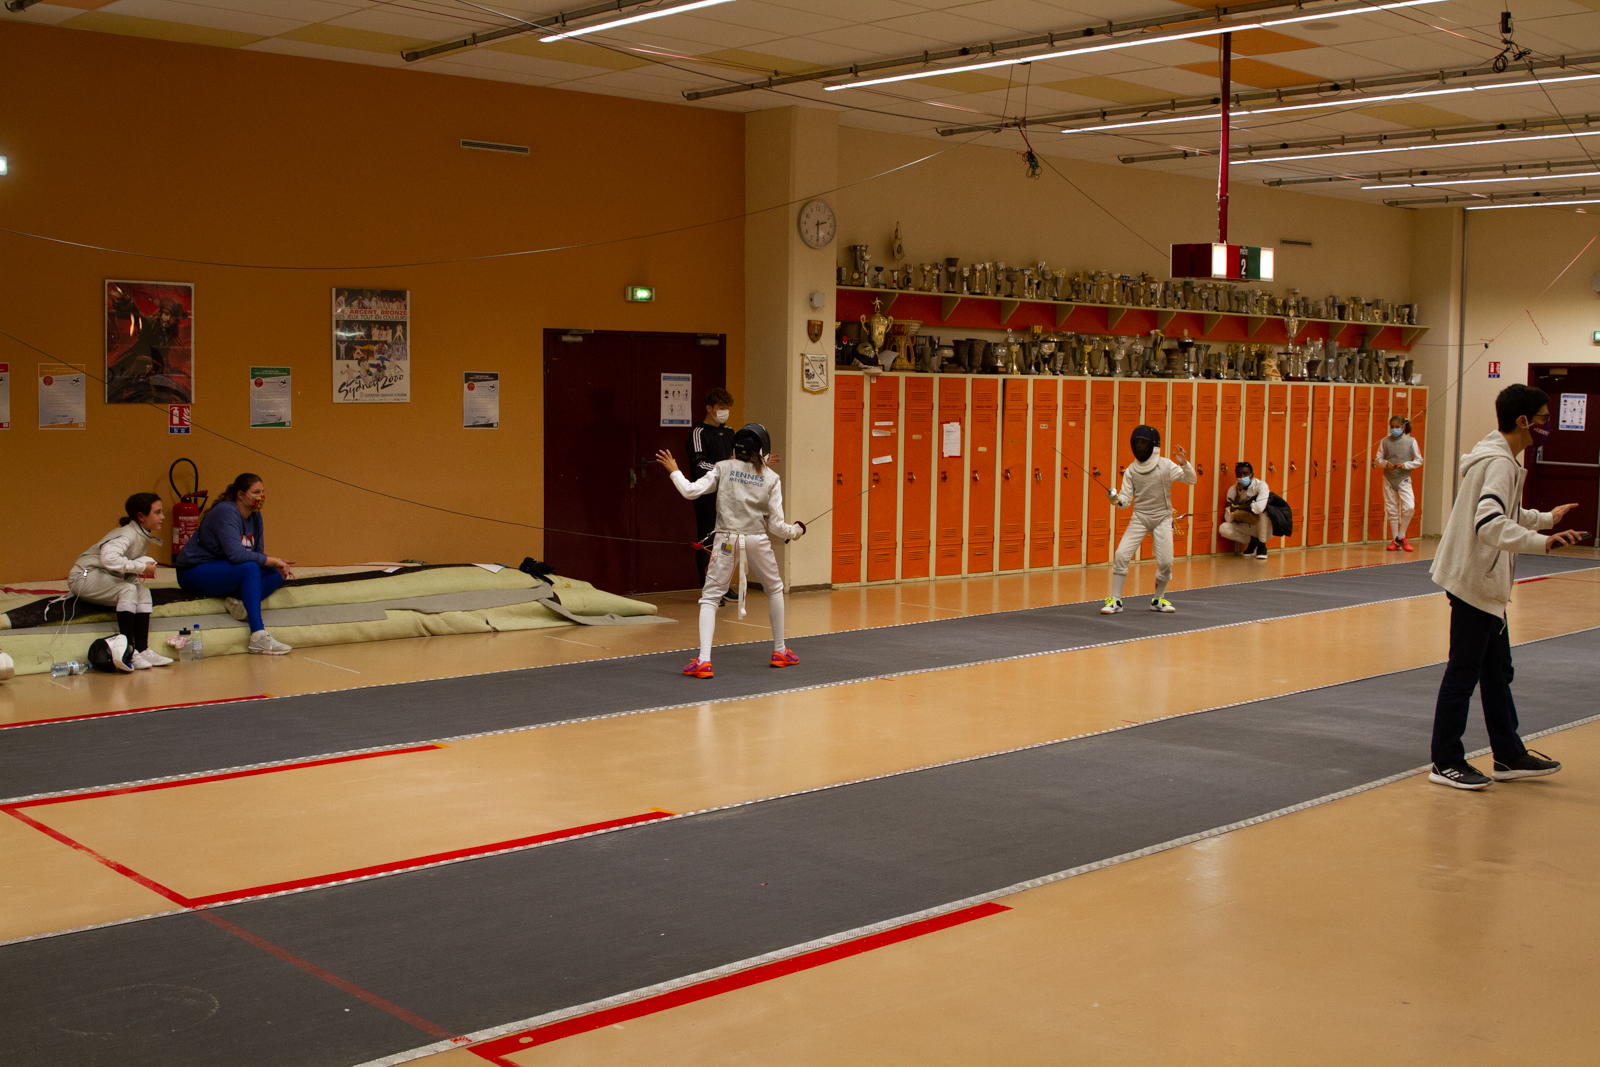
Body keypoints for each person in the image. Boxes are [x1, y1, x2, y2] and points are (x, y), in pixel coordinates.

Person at [1427, 384, 1586, 790]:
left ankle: (1508, 755)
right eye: (1544, 418)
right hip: (1475, 583)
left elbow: (1506, 509)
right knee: (1463, 673)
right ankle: (1445, 761)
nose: (1547, 425)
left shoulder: (1498, 456)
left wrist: (1545, 519)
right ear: (1523, 421)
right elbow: (1489, 523)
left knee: (1497, 671)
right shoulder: (1499, 463)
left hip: (1486, 585)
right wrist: (1541, 542)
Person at [656, 423, 805, 678]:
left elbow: (690, 491)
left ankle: (704, 661)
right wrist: (796, 531)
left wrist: (674, 471)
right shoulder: (771, 477)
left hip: (726, 540)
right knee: (774, 589)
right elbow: (776, 526)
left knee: (710, 598)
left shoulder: (722, 467)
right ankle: (780, 651)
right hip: (757, 540)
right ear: (762, 449)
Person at [175, 472, 296, 655]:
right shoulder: (226, 511)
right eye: (256, 492)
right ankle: (258, 636)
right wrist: (271, 560)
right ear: (240, 494)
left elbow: (257, 553)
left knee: (279, 572)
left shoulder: (256, 516)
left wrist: (276, 563)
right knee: (251, 567)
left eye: (263, 492)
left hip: (225, 570)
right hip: (194, 570)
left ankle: (239, 602)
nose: (261, 497)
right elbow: (236, 555)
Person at [67, 493, 173, 670]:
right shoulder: (126, 534)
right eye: (157, 512)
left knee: (143, 592)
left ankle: (143, 649)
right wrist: (141, 567)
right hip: (83, 576)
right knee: (128, 590)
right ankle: (128, 652)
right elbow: (109, 559)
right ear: (141, 516)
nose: (162, 517)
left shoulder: (141, 534)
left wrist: (137, 570)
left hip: (103, 576)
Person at [1102, 425, 1196, 615]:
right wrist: (1115, 499)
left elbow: (1191, 480)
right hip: (1140, 517)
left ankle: (1158, 600)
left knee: (1166, 563)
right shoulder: (1131, 470)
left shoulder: (1166, 465)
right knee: (1121, 555)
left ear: (1153, 445)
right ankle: (1116, 600)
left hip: (1162, 517)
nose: (1139, 446)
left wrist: (1184, 464)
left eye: (1143, 443)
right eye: (1136, 443)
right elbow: (1125, 501)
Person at [687, 388, 736, 588]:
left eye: (727, 408)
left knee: (727, 542)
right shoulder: (698, 432)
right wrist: (724, 466)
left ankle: (723, 585)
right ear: (709, 408)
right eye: (721, 408)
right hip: (707, 496)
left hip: (728, 495)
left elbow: (737, 461)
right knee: (708, 540)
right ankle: (709, 587)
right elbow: (699, 464)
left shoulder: (730, 432)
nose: (725, 412)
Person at [1376, 414, 1423, 551]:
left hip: (1404, 479)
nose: (1394, 429)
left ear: (1403, 427)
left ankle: (1400, 537)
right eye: (1392, 427)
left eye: (1397, 427)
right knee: (1392, 510)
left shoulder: (1411, 441)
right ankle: (1395, 539)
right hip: (1389, 478)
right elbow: (1377, 460)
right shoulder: (1385, 441)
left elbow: (1419, 460)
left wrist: (1405, 465)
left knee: (1409, 507)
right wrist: (1385, 463)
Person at [1219, 462, 1272, 559]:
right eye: (1239, 475)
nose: (1242, 477)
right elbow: (1228, 519)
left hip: (1265, 527)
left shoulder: (1261, 485)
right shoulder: (1232, 490)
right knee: (1223, 528)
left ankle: (1262, 544)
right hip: (1248, 527)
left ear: (1251, 475)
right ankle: (1253, 540)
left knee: (1264, 510)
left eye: (1245, 474)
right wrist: (1236, 497)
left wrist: (1239, 507)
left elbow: (1259, 508)